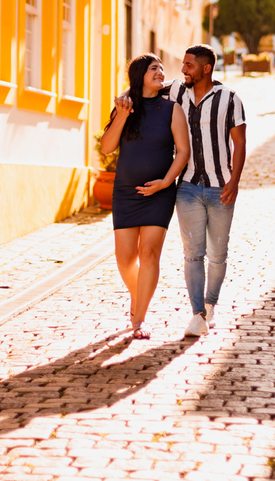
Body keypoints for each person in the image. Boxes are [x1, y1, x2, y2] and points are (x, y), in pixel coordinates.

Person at [117, 45, 247, 338]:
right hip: (187, 186)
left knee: (218, 254)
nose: (183, 70)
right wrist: (125, 96)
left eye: (189, 65)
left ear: (205, 69)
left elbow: (240, 142)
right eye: (183, 64)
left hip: (220, 186)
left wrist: (234, 181)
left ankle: (210, 304)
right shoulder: (177, 92)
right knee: (193, 253)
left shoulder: (229, 99)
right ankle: (197, 314)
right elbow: (141, 87)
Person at [99, 54, 190, 339]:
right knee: (125, 259)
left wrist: (165, 182)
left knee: (149, 253)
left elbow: (183, 152)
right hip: (125, 193)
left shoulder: (172, 109)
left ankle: (139, 319)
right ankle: (138, 296)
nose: (161, 72)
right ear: (140, 75)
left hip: (159, 194)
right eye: (154, 68)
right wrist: (123, 114)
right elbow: (107, 148)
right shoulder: (125, 107)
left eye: (162, 68)